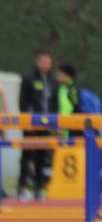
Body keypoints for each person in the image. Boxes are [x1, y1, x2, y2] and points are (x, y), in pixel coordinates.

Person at [18, 49, 56, 201]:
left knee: (43, 157)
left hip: (47, 125)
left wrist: (56, 123)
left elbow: (54, 103)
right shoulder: (28, 78)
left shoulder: (53, 80)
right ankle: (23, 187)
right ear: (38, 61)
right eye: (44, 62)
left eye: (49, 62)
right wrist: (26, 122)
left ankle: (39, 187)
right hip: (31, 124)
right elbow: (23, 102)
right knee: (28, 156)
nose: (47, 65)